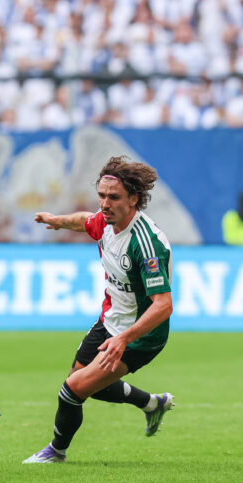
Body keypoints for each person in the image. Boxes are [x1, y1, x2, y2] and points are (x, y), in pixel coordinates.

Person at [25, 156, 174, 464]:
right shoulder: (107, 222)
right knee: (83, 381)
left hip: (141, 335)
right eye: (102, 196)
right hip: (110, 320)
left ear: (134, 199)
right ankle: (151, 404)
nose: (105, 204)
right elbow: (86, 221)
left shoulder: (145, 245)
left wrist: (124, 340)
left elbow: (163, 306)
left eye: (114, 197)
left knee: (73, 388)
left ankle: (56, 452)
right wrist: (57, 219)